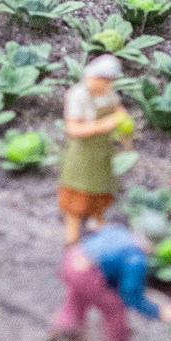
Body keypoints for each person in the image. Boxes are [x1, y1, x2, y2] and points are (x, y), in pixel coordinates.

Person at [58, 53, 133, 244]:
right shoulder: (78, 95)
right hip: (83, 153)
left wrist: (124, 124)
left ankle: (97, 220)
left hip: (102, 151)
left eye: (110, 81)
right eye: (104, 80)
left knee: (102, 188)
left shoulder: (108, 92)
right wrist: (104, 125)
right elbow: (73, 128)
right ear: (92, 77)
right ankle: (72, 234)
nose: (107, 85)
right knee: (77, 194)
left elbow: (118, 110)